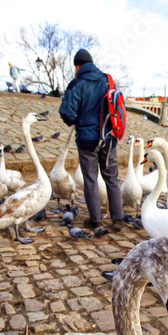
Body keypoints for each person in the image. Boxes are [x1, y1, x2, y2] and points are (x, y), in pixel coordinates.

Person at [59, 49, 124, 232]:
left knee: (91, 180)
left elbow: (66, 112)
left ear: (77, 66)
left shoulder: (76, 83)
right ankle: (117, 219)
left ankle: (96, 220)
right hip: (109, 137)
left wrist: (76, 121)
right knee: (112, 179)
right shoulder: (107, 80)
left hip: (88, 140)